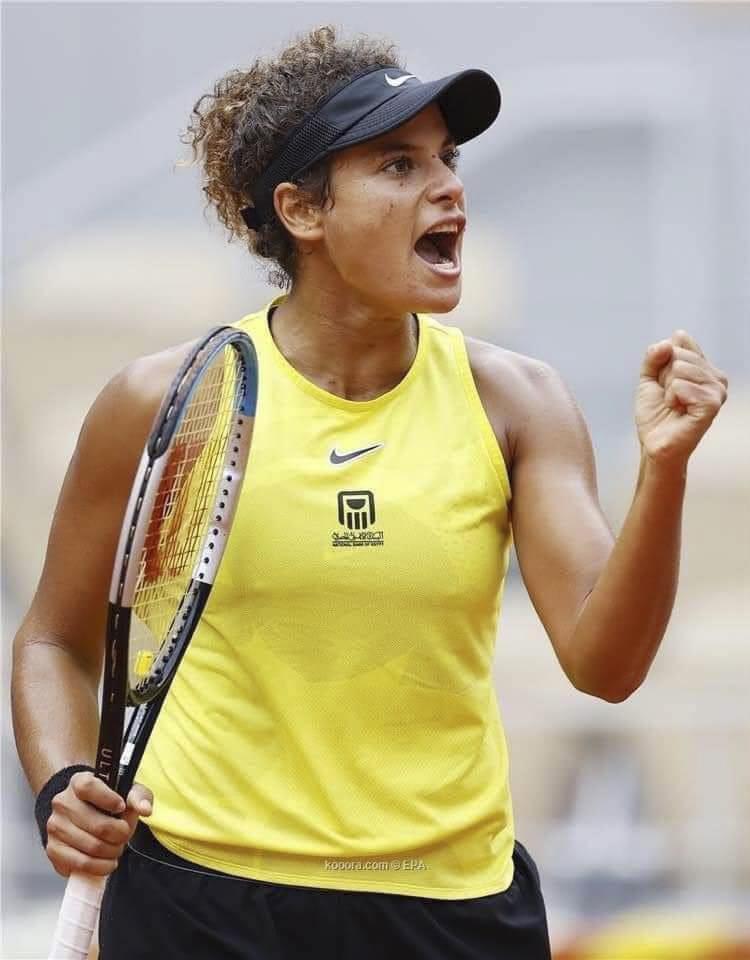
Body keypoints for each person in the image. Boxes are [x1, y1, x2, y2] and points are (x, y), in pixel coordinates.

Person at [12, 25, 728, 960]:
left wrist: (665, 470)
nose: (450, 186)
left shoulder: (520, 402)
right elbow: (53, 642)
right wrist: (63, 782)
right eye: (399, 163)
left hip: (451, 909)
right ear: (303, 212)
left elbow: (608, 664)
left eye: (448, 157)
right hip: (204, 901)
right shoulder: (165, 401)